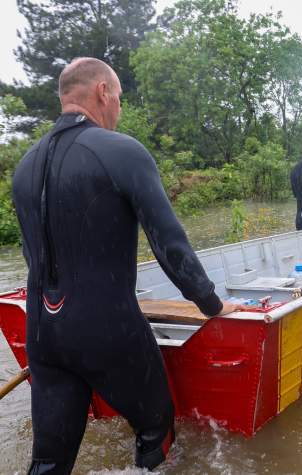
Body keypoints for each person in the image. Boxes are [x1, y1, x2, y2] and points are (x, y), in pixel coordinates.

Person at [12, 58, 241, 474]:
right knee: (156, 429)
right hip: (107, 328)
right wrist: (211, 304)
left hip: (43, 333)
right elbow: (170, 245)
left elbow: (34, 256)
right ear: (102, 91)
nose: (118, 106)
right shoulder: (121, 151)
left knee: (48, 461)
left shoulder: (25, 166)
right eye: (117, 96)